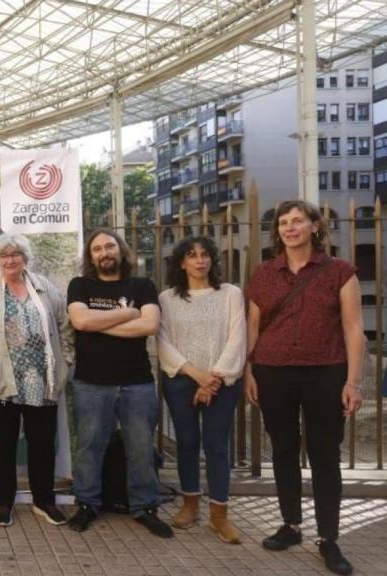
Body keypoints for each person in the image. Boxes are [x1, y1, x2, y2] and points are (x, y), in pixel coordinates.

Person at [244, 200, 363, 576]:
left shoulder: (339, 272)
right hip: (273, 371)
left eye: (298, 221)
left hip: (325, 371)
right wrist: (249, 370)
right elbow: (253, 326)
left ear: (314, 227)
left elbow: (353, 329)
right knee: (282, 450)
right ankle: (291, 525)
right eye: (283, 223)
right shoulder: (264, 273)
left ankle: (328, 538)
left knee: (326, 455)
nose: (290, 228)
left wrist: (353, 381)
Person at [65, 229, 172, 539]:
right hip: (91, 382)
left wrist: (99, 324)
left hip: (136, 383)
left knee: (140, 448)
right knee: (89, 447)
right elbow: (81, 322)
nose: (104, 252)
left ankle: (144, 507)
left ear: (121, 250)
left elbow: (150, 325)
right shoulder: (80, 285)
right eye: (97, 249)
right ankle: (87, 504)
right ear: (91, 256)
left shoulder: (142, 285)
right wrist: (126, 314)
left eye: (109, 246)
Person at [0, 233, 73, 528]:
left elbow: (65, 325)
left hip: (42, 379)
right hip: (1, 381)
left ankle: (44, 501)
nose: (10, 260)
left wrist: (67, 360)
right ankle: (3, 502)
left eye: (15, 254)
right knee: (2, 445)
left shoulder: (44, 287)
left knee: (42, 444)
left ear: (25, 257)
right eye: (4, 255)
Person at [157, 236, 245, 544]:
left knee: (217, 446)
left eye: (205, 255)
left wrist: (214, 378)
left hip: (222, 381)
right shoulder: (166, 299)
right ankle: (190, 504)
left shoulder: (231, 294)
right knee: (187, 442)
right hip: (181, 379)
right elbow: (161, 340)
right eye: (192, 255)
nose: (200, 260)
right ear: (181, 262)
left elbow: (237, 336)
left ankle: (219, 516)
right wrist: (196, 375)